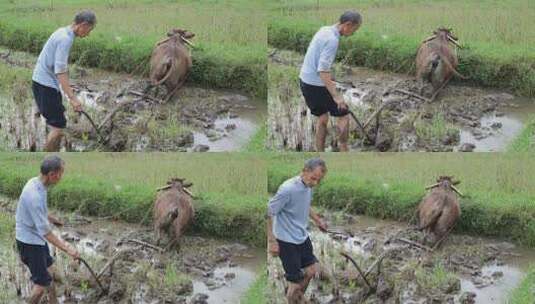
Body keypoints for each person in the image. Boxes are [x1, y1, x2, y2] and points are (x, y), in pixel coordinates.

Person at [15, 155, 80, 304]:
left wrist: (52, 218)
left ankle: (53, 301)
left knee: (49, 271)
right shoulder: (34, 196)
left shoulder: (36, 183)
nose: (61, 177)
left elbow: (39, 213)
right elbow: (46, 232)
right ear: (52, 174)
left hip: (35, 238)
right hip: (30, 243)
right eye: (60, 173)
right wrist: (68, 248)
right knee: (40, 287)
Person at [32, 10, 96, 151]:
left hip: (40, 81)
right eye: (89, 30)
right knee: (58, 127)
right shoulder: (65, 39)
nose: (88, 34)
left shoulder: (62, 31)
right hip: (45, 84)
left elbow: (59, 68)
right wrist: (72, 98)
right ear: (83, 25)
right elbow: (60, 71)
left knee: (55, 121)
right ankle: (48, 157)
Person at [267, 158, 329, 303]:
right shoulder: (287, 189)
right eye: (313, 178)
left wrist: (318, 220)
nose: (315, 183)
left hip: (301, 236)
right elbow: (268, 212)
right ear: (305, 171)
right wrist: (272, 240)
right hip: (286, 241)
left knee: (311, 271)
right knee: (294, 284)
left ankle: (294, 298)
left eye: (318, 180)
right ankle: (293, 296)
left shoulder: (307, 186)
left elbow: (305, 205)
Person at [299, 11, 362, 152]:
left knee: (322, 117)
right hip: (316, 84)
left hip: (305, 81)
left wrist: (331, 81)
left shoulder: (324, 29)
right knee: (343, 114)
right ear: (347, 25)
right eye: (354, 29)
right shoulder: (332, 40)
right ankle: (344, 149)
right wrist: (336, 96)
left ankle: (320, 152)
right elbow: (322, 70)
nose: (353, 33)